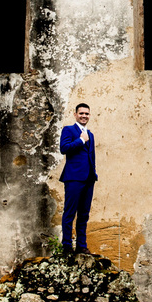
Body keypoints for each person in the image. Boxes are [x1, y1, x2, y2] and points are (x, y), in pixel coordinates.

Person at [58, 103, 97, 255]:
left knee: (84, 214)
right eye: (81, 113)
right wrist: (80, 140)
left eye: (86, 114)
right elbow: (64, 148)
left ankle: (81, 245)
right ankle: (67, 246)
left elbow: (91, 156)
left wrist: (93, 174)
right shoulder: (69, 130)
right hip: (73, 177)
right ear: (75, 114)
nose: (84, 116)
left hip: (88, 179)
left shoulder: (91, 134)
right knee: (69, 212)